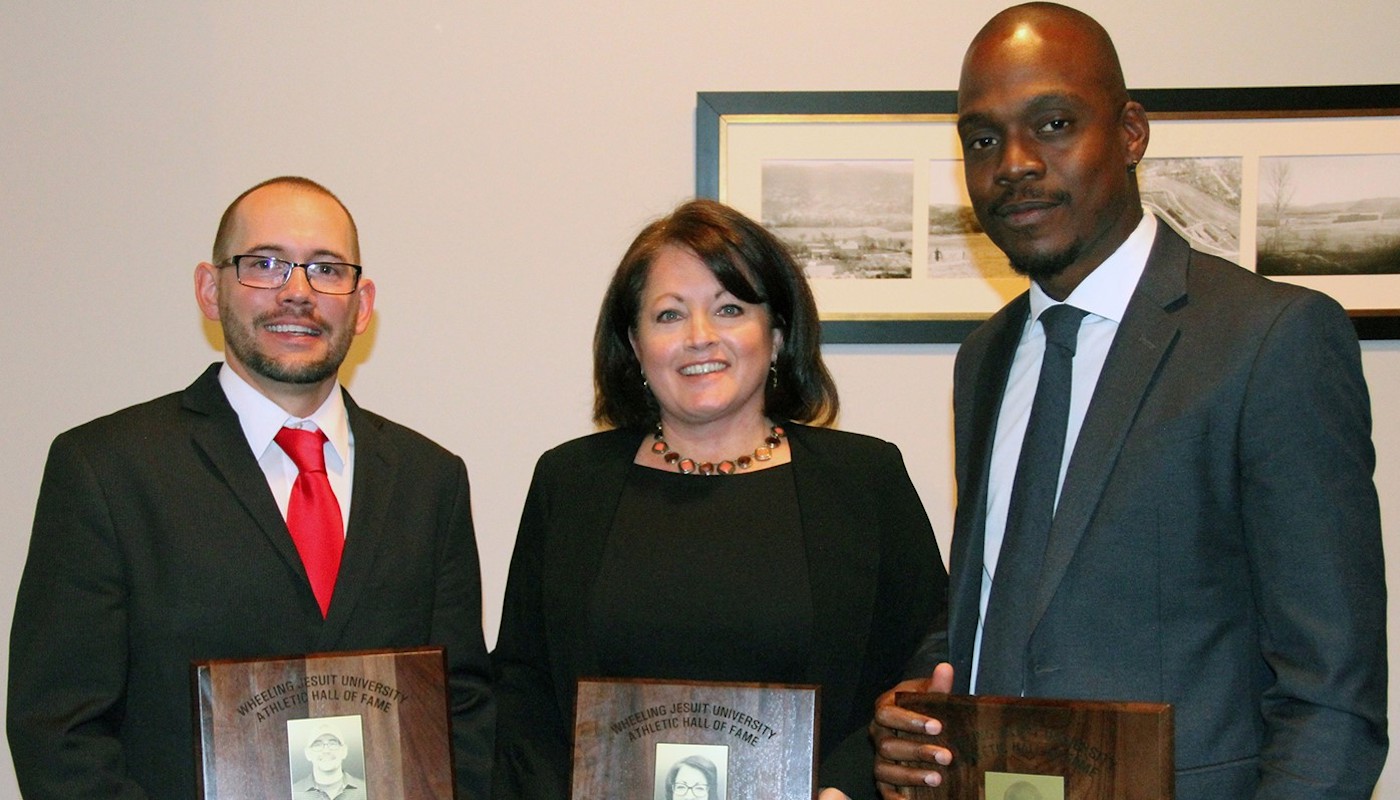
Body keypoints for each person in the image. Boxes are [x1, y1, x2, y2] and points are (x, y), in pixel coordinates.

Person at [867, 4, 1387, 799]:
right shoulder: (985, 359)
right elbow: (1009, 601)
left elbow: (1332, 695)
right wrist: (921, 704)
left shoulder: (1270, 340)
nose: (1014, 164)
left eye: (1053, 124)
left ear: (1132, 133)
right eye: (982, 139)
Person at [7, 176, 495, 799]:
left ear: (362, 304)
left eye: (326, 269)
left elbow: (462, 710)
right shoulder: (106, 469)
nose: (297, 292)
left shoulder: (430, 480)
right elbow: (59, 731)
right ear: (210, 290)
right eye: (265, 264)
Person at [490, 199, 947, 799]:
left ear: (776, 334)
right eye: (669, 314)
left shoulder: (864, 479)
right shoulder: (569, 482)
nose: (700, 337)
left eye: (729, 308)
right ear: (634, 344)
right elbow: (524, 688)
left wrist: (846, 789)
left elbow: (921, 665)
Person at [292, 724, 367, 800]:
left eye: (333, 743)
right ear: (307, 753)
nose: (326, 751)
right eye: (317, 745)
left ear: (344, 751)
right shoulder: (294, 794)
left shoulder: (365, 790)